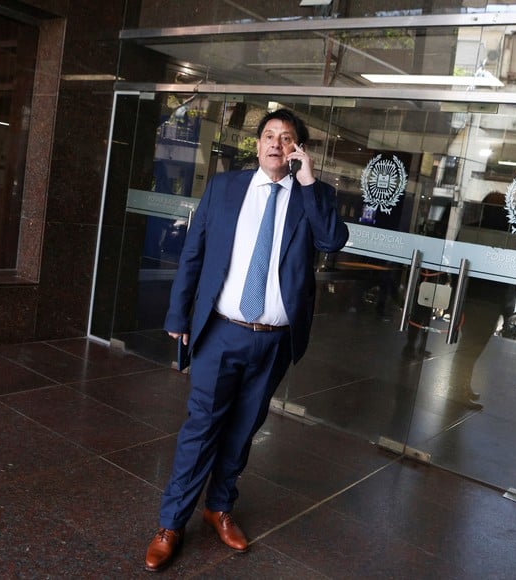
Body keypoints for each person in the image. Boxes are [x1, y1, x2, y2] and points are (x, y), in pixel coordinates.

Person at [144, 109, 349, 572]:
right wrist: (179, 315)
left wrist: (311, 182)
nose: (277, 143)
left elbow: (333, 241)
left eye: (288, 138)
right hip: (221, 332)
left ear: (298, 150)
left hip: (274, 341)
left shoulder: (312, 196)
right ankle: (171, 524)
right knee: (201, 429)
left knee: (242, 431)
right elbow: (193, 252)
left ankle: (219, 506)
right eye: (270, 136)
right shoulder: (225, 187)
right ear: (257, 145)